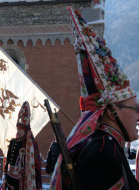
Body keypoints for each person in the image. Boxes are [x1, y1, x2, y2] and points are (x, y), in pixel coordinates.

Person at [49, 7, 139, 190]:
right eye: (136, 109)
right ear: (113, 111)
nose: (138, 116)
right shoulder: (103, 152)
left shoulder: (109, 145)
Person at [2, 101, 42, 190]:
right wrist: (4, 173)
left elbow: (36, 164)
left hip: (22, 181)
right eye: (18, 129)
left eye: (20, 129)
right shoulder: (13, 142)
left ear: (26, 132)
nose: (18, 131)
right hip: (10, 179)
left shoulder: (30, 145)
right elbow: (8, 159)